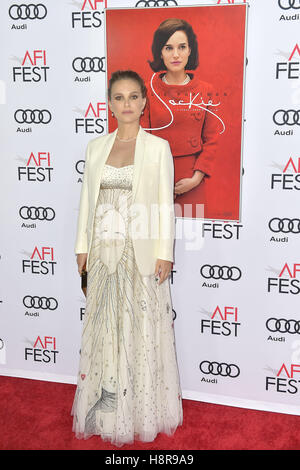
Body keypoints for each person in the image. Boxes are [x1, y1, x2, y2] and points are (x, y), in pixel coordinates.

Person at [71, 70, 183, 446]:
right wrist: (81, 247)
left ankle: (140, 409)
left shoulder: (158, 147)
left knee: (141, 329)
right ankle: (106, 408)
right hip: (102, 251)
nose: (127, 104)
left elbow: (165, 205)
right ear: (109, 103)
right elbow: (88, 200)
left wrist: (165, 252)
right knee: (105, 328)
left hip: (141, 252)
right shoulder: (95, 147)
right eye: (119, 98)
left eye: (134, 97)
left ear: (144, 102)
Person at [141, 18, 221, 218]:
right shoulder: (147, 90)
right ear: (160, 52)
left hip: (192, 182)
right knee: (153, 242)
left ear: (190, 50)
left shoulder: (206, 91)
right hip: (154, 182)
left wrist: (195, 179)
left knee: (194, 243)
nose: (175, 54)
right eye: (168, 48)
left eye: (182, 47)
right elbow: (140, 139)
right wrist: (155, 180)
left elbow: (212, 139)